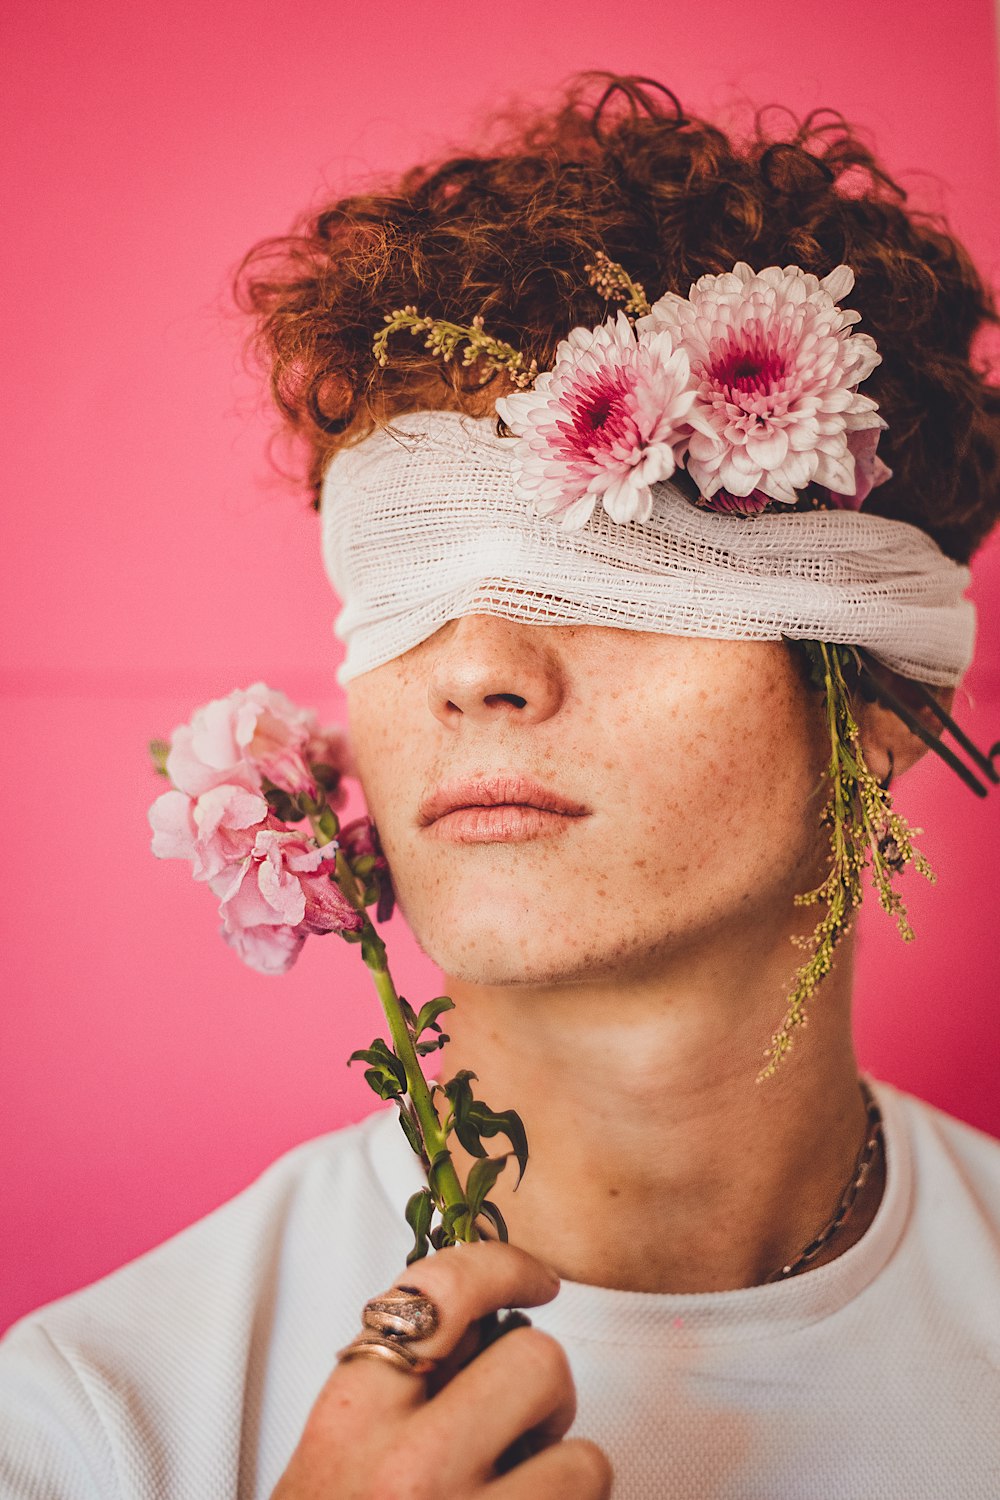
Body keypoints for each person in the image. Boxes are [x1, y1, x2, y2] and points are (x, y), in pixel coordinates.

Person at [2, 73, 999, 1500]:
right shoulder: (97, 1425)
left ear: (891, 700)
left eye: (627, 565)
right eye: (408, 575)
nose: (473, 666)